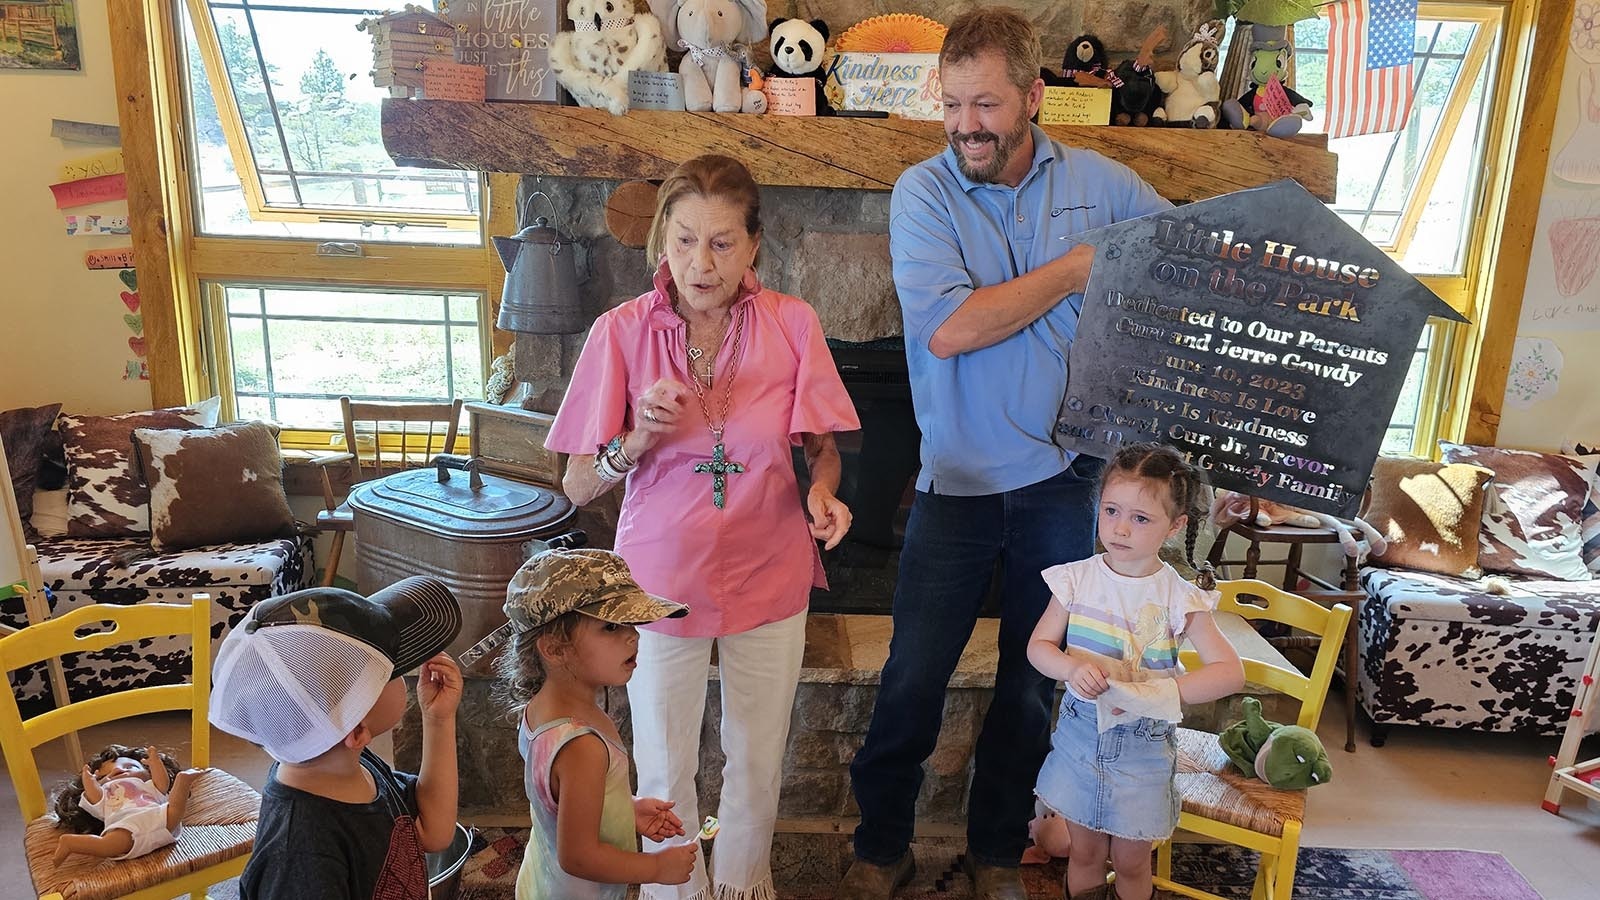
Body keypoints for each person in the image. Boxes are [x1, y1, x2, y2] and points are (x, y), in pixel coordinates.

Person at [841, 8, 1175, 900]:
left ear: (1034, 96)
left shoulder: (1107, 183)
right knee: (912, 675)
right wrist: (1073, 272)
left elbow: (1180, 265)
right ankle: (881, 847)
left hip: (1073, 485)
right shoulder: (924, 193)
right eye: (951, 105)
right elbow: (950, 330)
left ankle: (995, 851)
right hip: (956, 484)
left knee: (1034, 689)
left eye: (984, 104)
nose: (965, 126)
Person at [546, 153, 861, 900]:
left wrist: (824, 492)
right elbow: (578, 481)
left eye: (722, 243)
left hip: (772, 570)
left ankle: (746, 885)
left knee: (756, 756)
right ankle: (673, 892)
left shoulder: (793, 324)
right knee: (662, 761)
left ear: (754, 246)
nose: (701, 262)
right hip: (658, 586)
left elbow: (822, 448)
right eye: (685, 240)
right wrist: (638, 440)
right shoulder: (619, 332)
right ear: (662, 242)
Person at [1029, 443, 1244, 900]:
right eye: (1111, 511)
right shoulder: (1075, 579)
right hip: (1080, 737)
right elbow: (1038, 647)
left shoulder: (1180, 597)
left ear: (1175, 526)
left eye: (1141, 518)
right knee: (1083, 854)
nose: (1121, 528)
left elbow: (1229, 672)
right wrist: (1070, 665)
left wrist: (1163, 692)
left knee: (1130, 861)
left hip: (1143, 747)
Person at [209, 577, 465, 900]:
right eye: (392, 671)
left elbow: (433, 831)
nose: (406, 674)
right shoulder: (299, 855)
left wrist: (439, 719)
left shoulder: (353, 764)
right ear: (356, 730)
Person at [494, 547, 700, 898]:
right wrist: (656, 868)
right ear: (556, 649)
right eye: (610, 627)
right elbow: (578, 856)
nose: (633, 636)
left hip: (542, 882)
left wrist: (625, 809)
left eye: (631, 623)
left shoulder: (541, 710)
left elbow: (558, 805)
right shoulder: (582, 746)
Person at [50, 744, 203, 864]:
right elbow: (94, 795)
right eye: (104, 775)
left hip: (158, 818)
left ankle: (183, 780)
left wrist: (155, 763)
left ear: (147, 772)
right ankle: (70, 843)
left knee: (175, 810)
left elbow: (162, 783)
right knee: (106, 846)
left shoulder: (149, 786)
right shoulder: (106, 794)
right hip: (125, 826)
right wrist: (89, 781)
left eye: (130, 767)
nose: (118, 770)